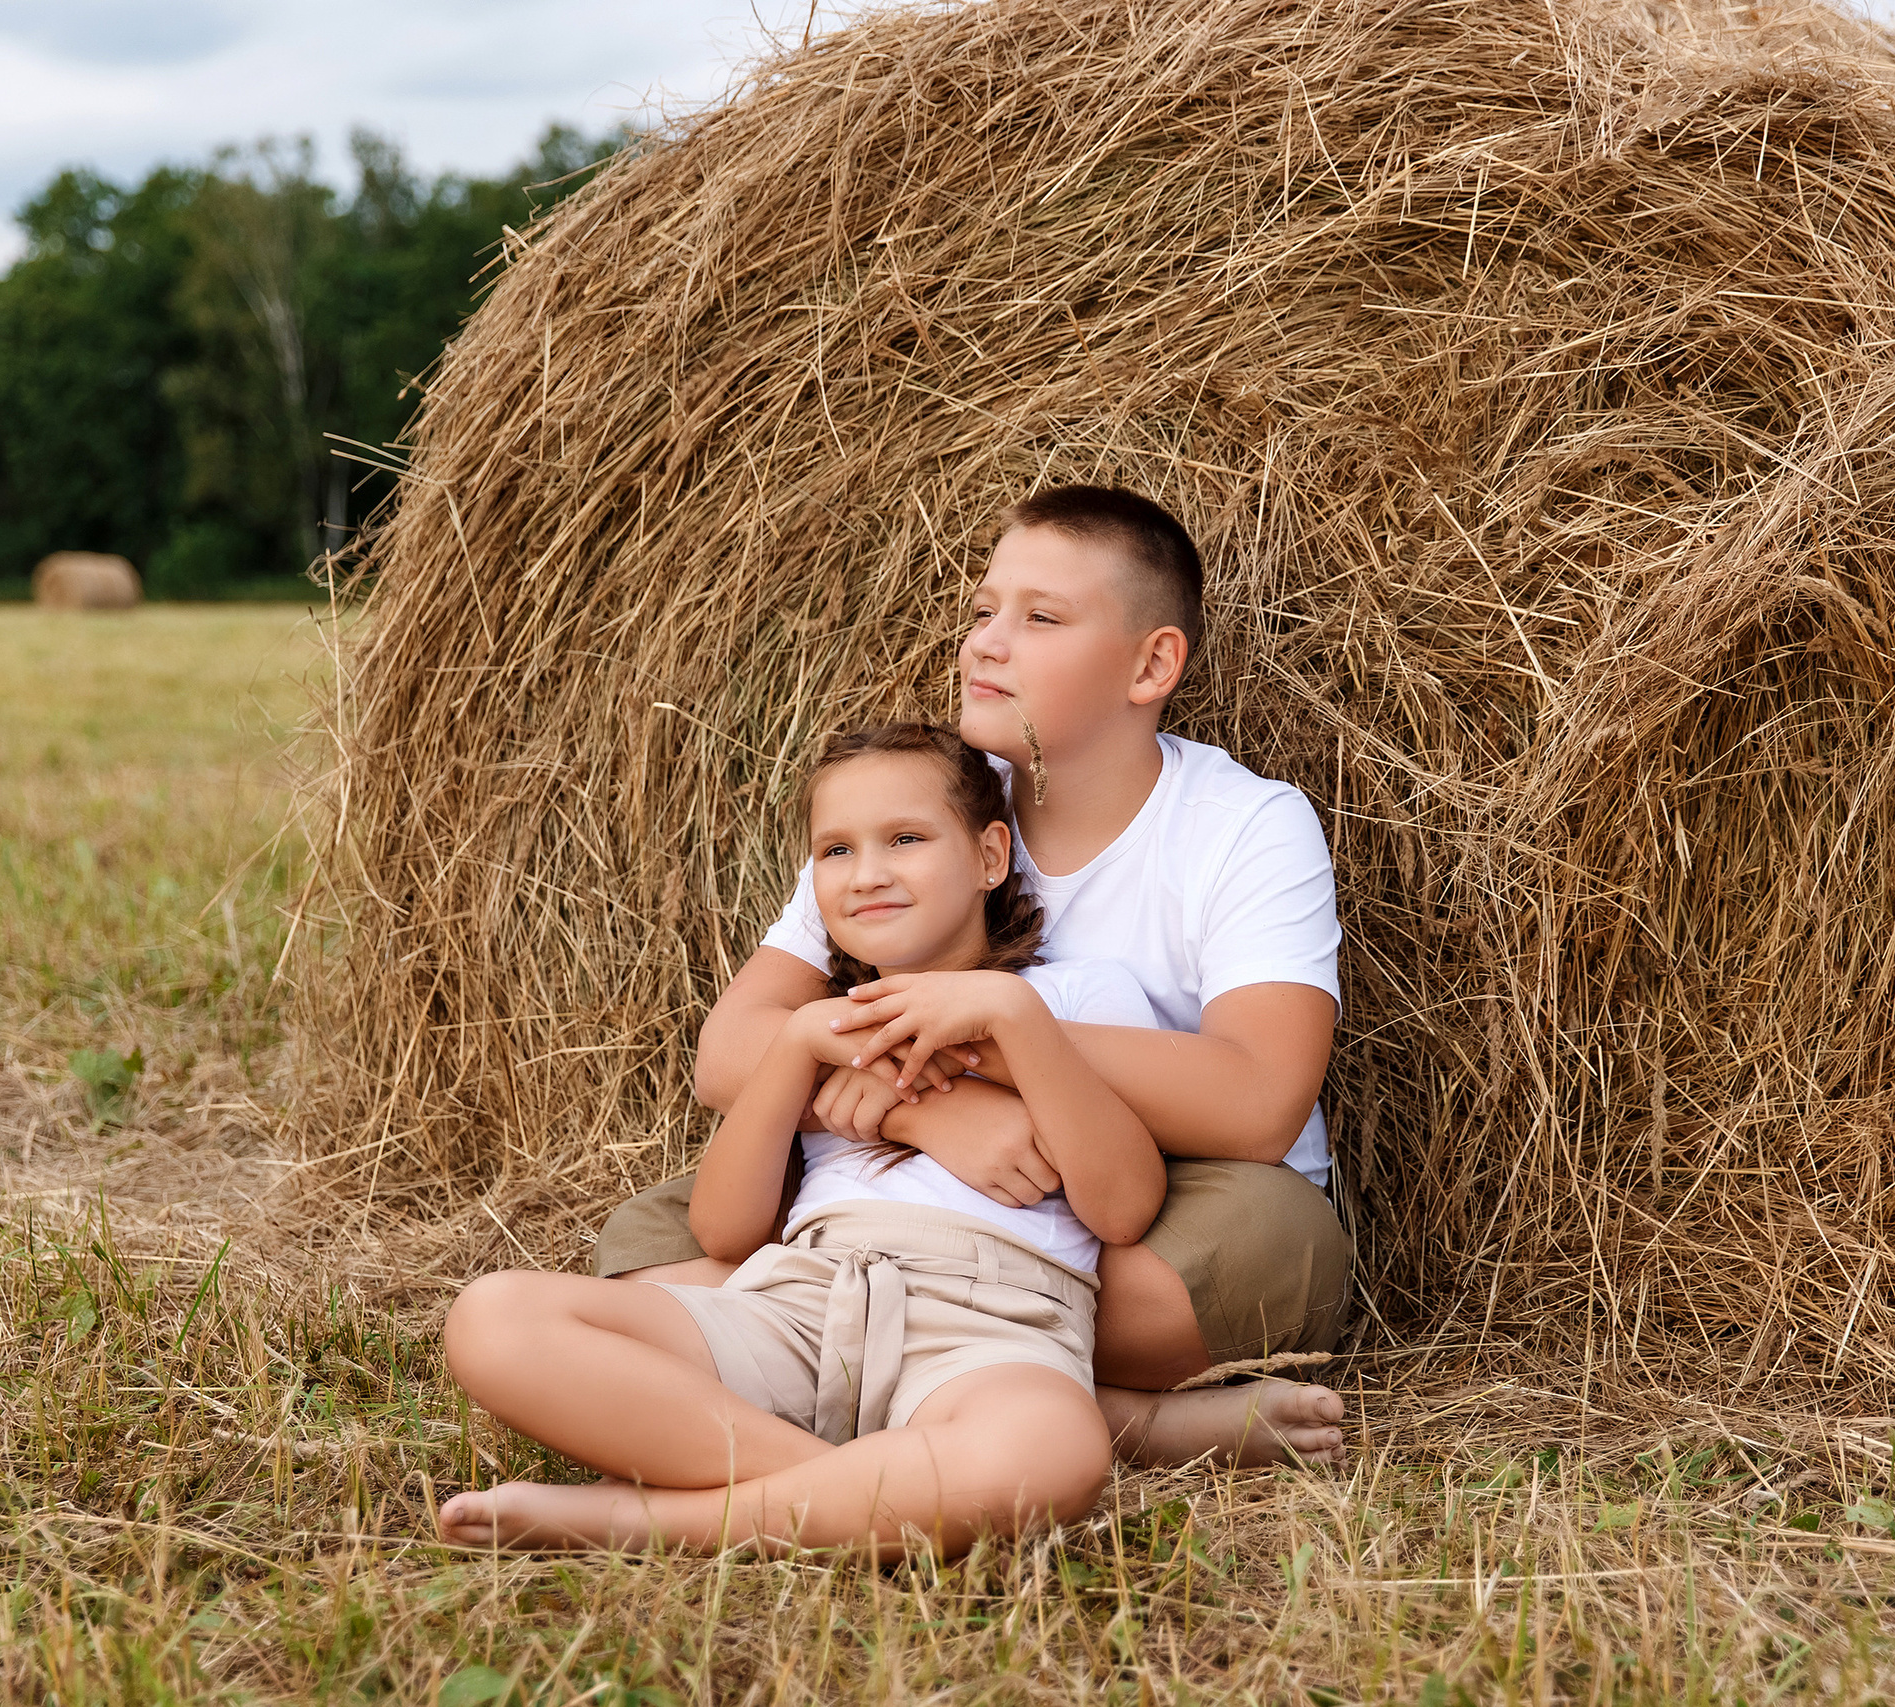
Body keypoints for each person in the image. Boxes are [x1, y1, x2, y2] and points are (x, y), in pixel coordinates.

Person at [597, 486, 1354, 1469]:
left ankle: (829, 1365)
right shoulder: (920, 812)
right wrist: (925, 1115)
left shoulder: (1244, 824)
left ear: (1150, 663)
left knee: (1258, 1245)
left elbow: (1256, 1100)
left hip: (1162, 1190)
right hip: (932, 1186)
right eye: (982, 610)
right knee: (642, 1242)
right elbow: (732, 1051)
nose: (985, 643)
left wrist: (989, 1040)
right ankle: (1107, 1420)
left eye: (1038, 618)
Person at [437, 723, 1164, 1553]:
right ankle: (852, 1485)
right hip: (799, 1301)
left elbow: (1126, 1206)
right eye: (836, 851)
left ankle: (650, 1522)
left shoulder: (1072, 998)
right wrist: (792, 1048)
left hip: (990, 1328)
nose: (870, 873)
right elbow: (723, 1233)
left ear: (990, 857)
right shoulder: (824, 1027)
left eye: (906, 839)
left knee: (1051, 1453)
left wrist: (1013, 1016)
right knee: (493, 1318)